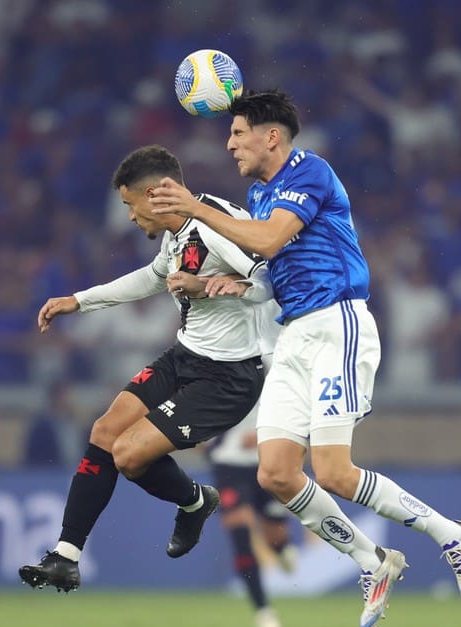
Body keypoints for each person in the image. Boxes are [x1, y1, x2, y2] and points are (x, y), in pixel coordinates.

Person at [150, 90, 461, 627]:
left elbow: (271, 238)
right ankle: (373, 562)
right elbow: (271, 278)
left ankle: (454, 535)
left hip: (338, 324)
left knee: (333, 472)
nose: (229, 143)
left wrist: (197, 207)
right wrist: (227, 285)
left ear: (272, 137)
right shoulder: (261, 196)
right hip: (294, 337)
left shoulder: (310, 173)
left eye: (237, 133)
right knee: (277, 473)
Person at [18, 145, 272, 592]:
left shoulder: (215, 222)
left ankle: (195, 502)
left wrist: (213, 287)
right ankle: (66, 556)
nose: (131, 218)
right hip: (184, 357)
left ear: (154, 194)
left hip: (227, 378)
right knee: (104, 431)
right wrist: (79, 301)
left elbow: (271, 281)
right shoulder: (177, 233)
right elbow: (152, 278)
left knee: (129, 454)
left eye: (130, 206)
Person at [204, 298, 295, 627]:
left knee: (275, 537)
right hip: (228, 465)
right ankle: (264, 613)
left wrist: (264, 434)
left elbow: (294, 403)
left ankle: (281, 549)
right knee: (241, 535)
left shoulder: (274, 356)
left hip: (267, 458)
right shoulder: (209, 358)